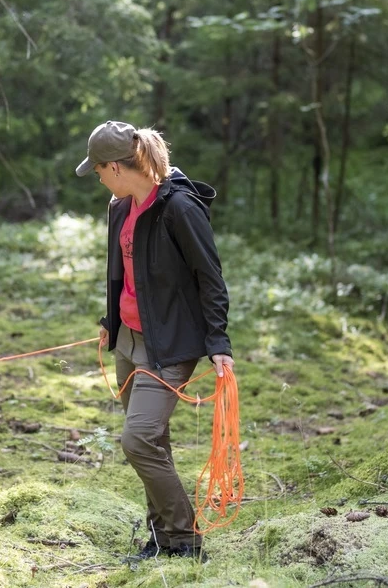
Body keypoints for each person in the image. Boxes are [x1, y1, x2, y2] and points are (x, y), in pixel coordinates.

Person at [75, 120, 234, 561]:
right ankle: (162, 538)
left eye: (100, 171)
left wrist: (218, 342)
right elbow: (122, 271)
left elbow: (210, 278)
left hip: (169, 344)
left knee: (138, 439)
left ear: (117, 167)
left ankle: (185, 540)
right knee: (154, 441)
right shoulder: (120, 206)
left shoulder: (180, 208)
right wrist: (112, 317)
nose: (99, 179)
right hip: (129, 339)